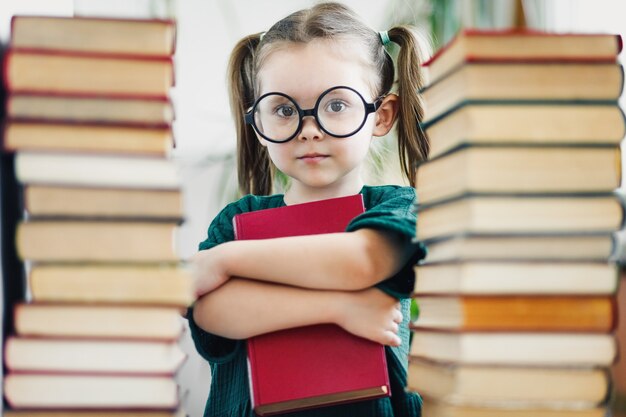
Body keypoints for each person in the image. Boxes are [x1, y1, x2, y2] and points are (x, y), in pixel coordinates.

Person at [188, 2, 429, 416]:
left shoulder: (397, 207)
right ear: (258, 119)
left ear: (381, 115)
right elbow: (211, 311)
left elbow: (362, 261)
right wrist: (338, 308)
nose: (310, 128)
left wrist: (224, 260)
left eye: (336, 105)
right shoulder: (238, 221)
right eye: (284, 110)